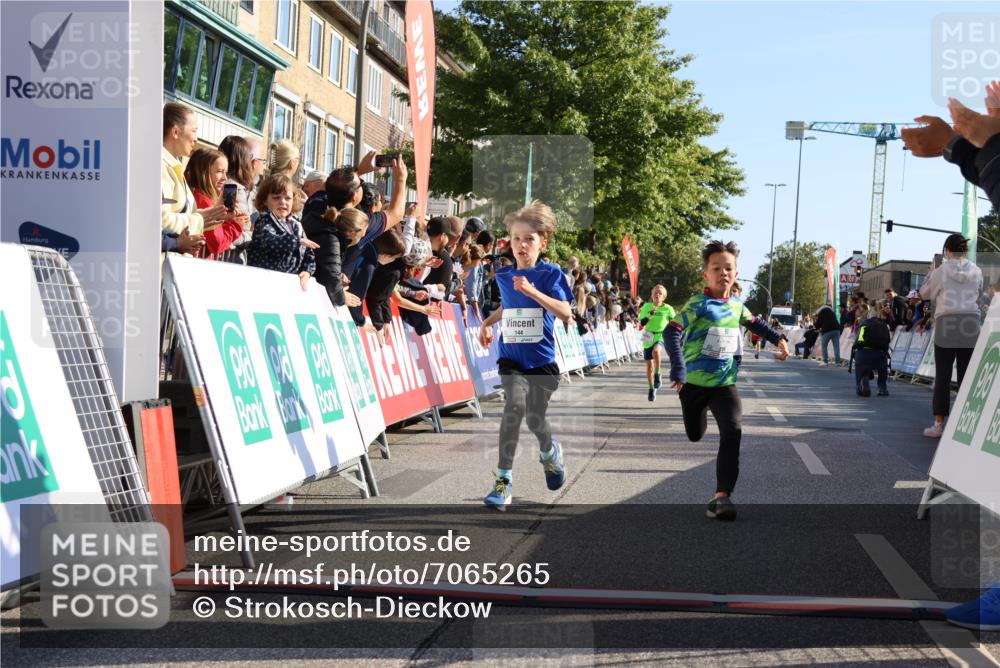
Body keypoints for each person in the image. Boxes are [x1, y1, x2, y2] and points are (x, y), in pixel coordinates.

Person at [664, 240, 788, 521]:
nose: (723, 273)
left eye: (728, 268)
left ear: (736, 273)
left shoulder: (737, 306)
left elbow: (756, 323)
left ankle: (722, 496)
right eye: (716, 268)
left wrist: (779, 339)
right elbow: (671, 332)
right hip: (693, 385)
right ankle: (701, 414)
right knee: (695, 435)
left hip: (724, 384)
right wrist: (679, 368)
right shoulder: (698, 304)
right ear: (705, 274)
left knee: (732, 432)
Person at [476, 201, 573, 510]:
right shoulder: (504, 276)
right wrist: (487, 323)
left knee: (534, 418)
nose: (520, 245)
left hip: (542, 361)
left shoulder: (550, 273)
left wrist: (533, 291)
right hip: (511, 357)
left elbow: (565, 312)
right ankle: (503, 481)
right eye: (516, 238)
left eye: (529, 239)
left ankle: (549, 452)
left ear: (542, 243)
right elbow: (510, 308)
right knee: (514, 408)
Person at [918, 234, 984, 438]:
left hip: (948, 321)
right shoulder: (977, 270)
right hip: (971, 322)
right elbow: (979, 295)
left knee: (944, 374)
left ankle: (938, 424)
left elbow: (924, 294)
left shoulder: (941, 270)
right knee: (967, 375)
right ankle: (964, 421)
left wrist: (930, 274)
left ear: (947, 250)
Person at [161, 102, 227, 239]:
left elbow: (189, 217)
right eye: (194, 131)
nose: (196, 139)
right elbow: (160, 220)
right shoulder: (161, 166)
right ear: (175, 132)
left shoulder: (174, 166)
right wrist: (201, 219)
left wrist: (215, 214)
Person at [247, 174, 318, 291]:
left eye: (287, 198)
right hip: (264, 282)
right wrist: (297, 241)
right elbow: (270, 241)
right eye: (276, 198)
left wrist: (307, 271)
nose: (282, 202)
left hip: (288, 283)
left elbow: (308, 253)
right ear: (265, 201)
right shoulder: (264, 220)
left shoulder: (296, 225)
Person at [183, 147, 247, 259]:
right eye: (220, 172)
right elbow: (217, 242)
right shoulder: (203, 201)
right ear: (204, 172)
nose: (225, 178)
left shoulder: (199, 196)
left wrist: (226, 219)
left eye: (226, 172)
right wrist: (236, 225)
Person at [218, 135, 259, 264]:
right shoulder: (234, 190)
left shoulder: (222, 184)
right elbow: (232, 231)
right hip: (230, 258)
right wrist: (254, 237)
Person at [638, 285, 675, 401]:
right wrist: (650, 313)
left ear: (664, 297)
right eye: (655, 293)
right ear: (651, 295)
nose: (657, 295)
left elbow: (674, 322)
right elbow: (642, 323)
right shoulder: (647, 306)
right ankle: (651, 388)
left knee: (656, 351)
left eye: (660, 293)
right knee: (649, 366)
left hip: (660, 334)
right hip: (648, 334)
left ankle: (658, 374)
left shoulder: (668, 308)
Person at [852, 303, 892, 397]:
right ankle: (882, 388)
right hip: (879, 355)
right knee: (883, 368)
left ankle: (861, 385)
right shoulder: (883, 325)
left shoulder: (864, 324)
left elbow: (859, 340)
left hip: (864, 354)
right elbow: (887, 341)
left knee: (860, 368)